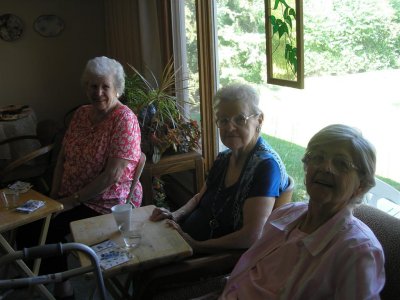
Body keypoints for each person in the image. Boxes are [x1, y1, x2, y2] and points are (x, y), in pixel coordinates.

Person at [18, 56, 142, 299]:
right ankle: (44, 278)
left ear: (117, 87)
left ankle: (61, 287)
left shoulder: (124, 119)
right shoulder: (82, 114)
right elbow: (63, 158)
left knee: (47, 229)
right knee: (30, 222)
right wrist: (54, 197)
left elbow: (112, 175)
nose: (98, 92)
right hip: (70, 196)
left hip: (106, 202)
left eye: (105, 86)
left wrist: (71, 201)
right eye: (92, 86)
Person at [216, 124, 385, 299]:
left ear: (361, 185)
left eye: (341, 164)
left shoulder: (357, 251)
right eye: (318, 158)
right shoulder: (285, 214)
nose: (325, 168)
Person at [150, 83, 289, 253]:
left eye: (239, 119)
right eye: (223, 120)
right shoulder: (224, 158)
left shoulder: (265, 167)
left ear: (259, 119)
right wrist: (175, 215)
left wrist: (196, 246)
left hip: (210, 261)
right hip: (186, 241)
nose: (229, 127)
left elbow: (251, 236)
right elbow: (198, 199)